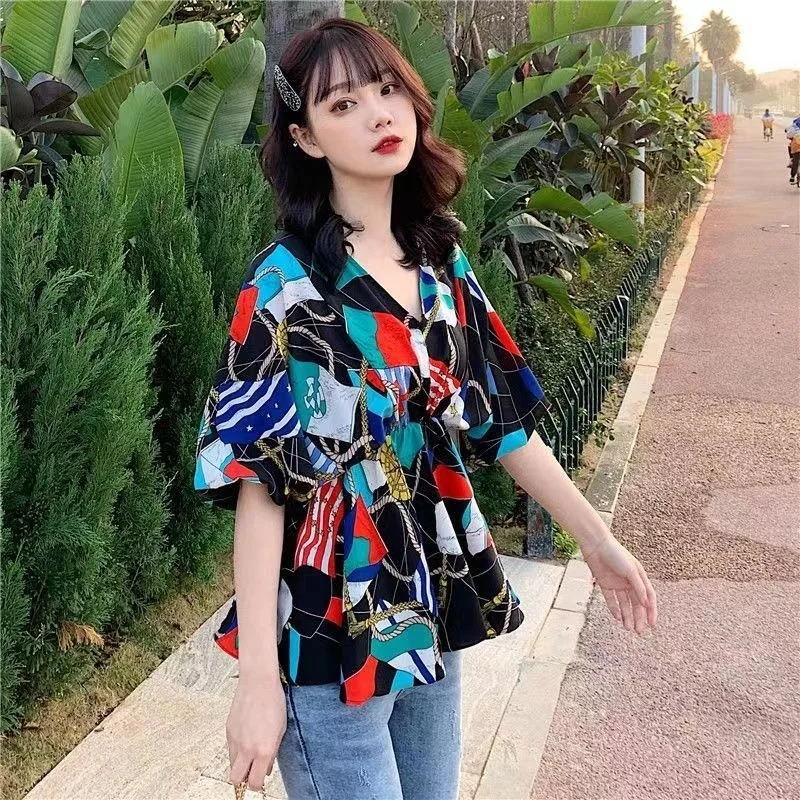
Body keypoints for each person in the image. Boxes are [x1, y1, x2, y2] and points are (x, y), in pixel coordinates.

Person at [193, 18, 658, 800]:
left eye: (386, 90)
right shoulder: (282, 288)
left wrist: (598, 542)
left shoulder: (441, 263)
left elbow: (503, 425)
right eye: (342, 104)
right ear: (305, 138)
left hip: (426, 606)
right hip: (325, 628)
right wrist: (258, 684)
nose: (378, 114)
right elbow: (262, 489)